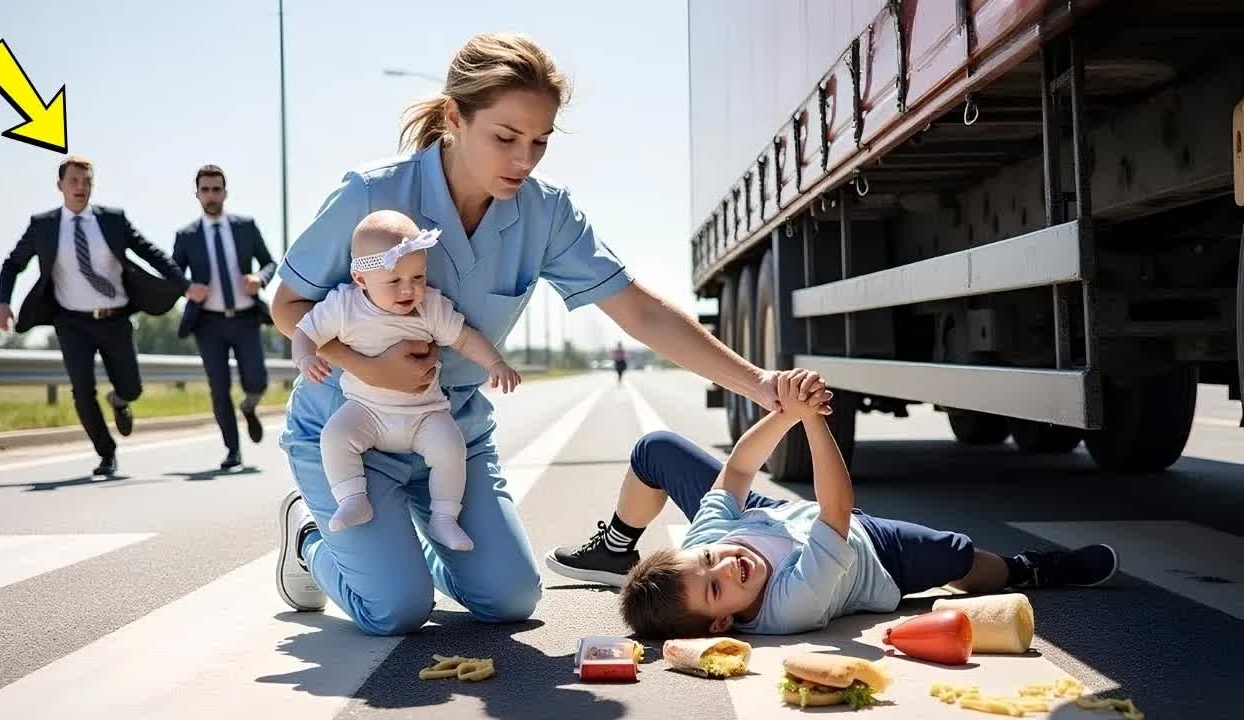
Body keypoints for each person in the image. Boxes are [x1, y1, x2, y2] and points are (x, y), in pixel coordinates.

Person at [268, 33, 821, 633]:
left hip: (445, 429)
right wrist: (365, 365)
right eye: (505, 138)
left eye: (540, 142)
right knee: (393, 610)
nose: (523, 161)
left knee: (510, 601)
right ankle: (311, 541)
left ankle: (402, 552)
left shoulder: (545, 212)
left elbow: (641, 312)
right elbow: (288, 304)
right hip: (350, 427)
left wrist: (759, 383)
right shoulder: (373, 195)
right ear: (455, 117)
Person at [547, 369, 1120, 639]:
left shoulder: (708, 549)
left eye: (708, 561)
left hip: (775, 518)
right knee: (958, 556)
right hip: (865, 550)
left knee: (657, 449)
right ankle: (1029, 570)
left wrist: (785, 413)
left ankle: (616, 548)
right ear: (724, 620)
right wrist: (815, 422)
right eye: (717, 585)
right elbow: (837, 510)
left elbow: (740, 469)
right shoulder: (789, 607)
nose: (723, 564)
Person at [290, 210, 522, 551]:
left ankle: (444, 518)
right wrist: (306, 357)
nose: (408, 289)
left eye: (418, 276)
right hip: (367, 410)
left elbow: (464, 337)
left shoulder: (430, 306)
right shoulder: (343, 306)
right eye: (394, 281)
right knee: (335, 435)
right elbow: (304, 331)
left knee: (450, 447)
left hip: (425, 413)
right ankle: (353, 497)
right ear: (361, 278)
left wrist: (495, 362)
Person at [0, 156, 195, 476]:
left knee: (132, 388)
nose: (81, 187)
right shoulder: (43, 225)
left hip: (114, 317)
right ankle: (106, 453)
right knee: (81, 390)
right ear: (60, 185)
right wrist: (3, 303)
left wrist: (184, 285)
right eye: (73, 181)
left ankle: (119, 400)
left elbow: (150, 252)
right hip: (71, 321)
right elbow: (12, 264)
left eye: (87, 181)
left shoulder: (112, 220)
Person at [172, 165, 277, 470]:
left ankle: (250, 405)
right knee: (219, 388)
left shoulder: (245, 226)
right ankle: (233, 450)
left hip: (245, 318)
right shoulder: (186, 235)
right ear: (197, 194)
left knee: (256, 381)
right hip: (208, 323)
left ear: (225, 192)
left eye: (216, 189)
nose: (211, 195)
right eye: (205, 190)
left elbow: (269, 261)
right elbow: (174, 274)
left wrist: (259, 278)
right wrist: (188, 289)